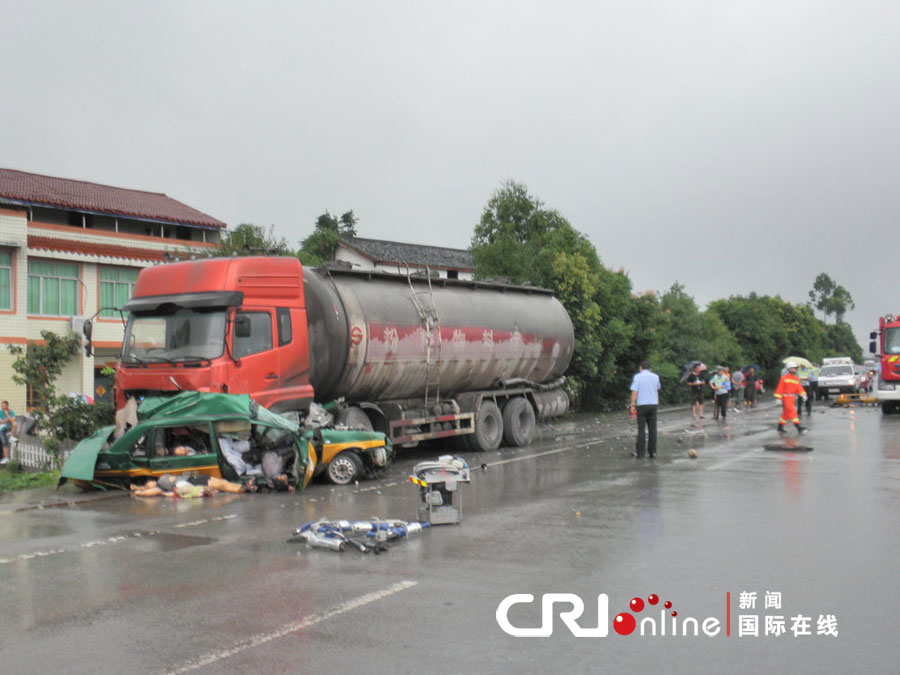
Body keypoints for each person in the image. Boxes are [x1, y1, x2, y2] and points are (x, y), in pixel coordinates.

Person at [130, 473, 256, 498]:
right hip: (193, 482)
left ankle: (244, 487)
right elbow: (153, 492)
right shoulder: (159, 486)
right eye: (147, 485)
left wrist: (137, 487)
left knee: (223, 483)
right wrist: (139, 493)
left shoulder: (160, 480)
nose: (149, 483)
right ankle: (244, 488)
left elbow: (144, 488)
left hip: (194, 478)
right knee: (222, 485)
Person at [629, 360, 661, 459]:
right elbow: (657, 388)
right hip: (653, 404)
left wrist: (632, 405)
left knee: (641, 430)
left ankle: (640, 453)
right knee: (652, 429)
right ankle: (652, 452)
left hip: (642, 405)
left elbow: (634, 392)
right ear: (649, 368)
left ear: (640, 368)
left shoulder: (637, 377)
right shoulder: (655, 377)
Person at [775, 361, 807, 435]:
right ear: (788, 369)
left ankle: (780, 427)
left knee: (786, 413)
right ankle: (798, 427)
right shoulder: (784, 378)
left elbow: (799, 388)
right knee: (792, 411)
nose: (794, 370)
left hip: (792, 398)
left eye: (794, 368)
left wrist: (803, 395)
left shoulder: (796, 378)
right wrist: (778, 398)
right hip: (786, 397)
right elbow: (780, 388)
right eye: (792, 368)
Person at [0, 400, 18, 465]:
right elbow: (0, 422)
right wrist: (8, 420)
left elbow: (13, 420)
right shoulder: (0, 412)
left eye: (4, 405)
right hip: (1, 429)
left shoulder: (11, 412)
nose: (2, 407)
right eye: (2, 405)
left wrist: (7, 415)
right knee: (4, 443)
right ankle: (6, 458)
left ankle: (11, 437)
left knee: (15, 424)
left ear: (7, 406)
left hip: (8, 428)